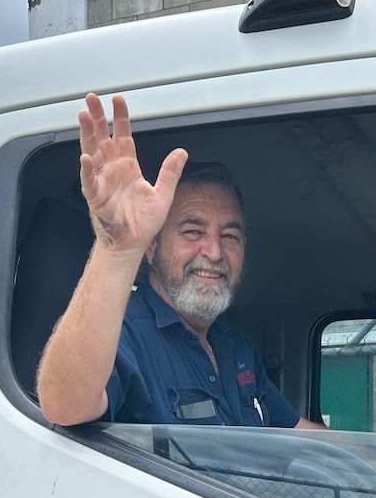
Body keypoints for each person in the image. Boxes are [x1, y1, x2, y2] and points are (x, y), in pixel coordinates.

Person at [36, 93, 324, 430]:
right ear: (152, 246)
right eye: (192, 231)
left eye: (229, 236)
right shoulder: (123, 332)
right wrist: (116, 249)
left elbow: (297, 435)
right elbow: (64, 405)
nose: (214, 253)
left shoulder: (235, 347)